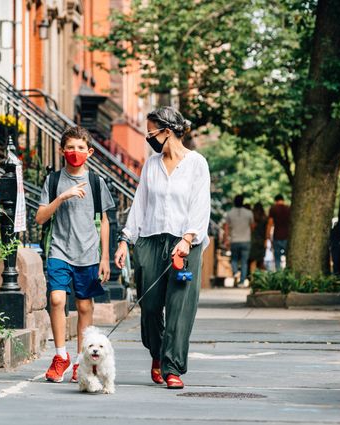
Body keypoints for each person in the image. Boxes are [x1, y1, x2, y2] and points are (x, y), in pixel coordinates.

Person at [114, 106, 210, 390]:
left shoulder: (196, 164)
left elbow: (200, 205)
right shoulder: (151, 165)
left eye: (152, 131)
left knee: (180, 308)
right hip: (151, 241)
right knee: (151, 306)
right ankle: (157, 352)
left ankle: (172, 367)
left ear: (168, 131)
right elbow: (140, 204)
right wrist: (124, 240)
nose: (148, 136)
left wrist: (188, 238)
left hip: (185, 243)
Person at [35, 126, 115, 384]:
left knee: (84, 307)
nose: (75, 152)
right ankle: (60, 356)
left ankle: (80, 361)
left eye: (80, 148)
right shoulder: (53, 181)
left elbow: (104, 221)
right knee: (57, 299)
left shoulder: (96, 182)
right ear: (61, 151)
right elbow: (40, 217)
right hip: (59, 249)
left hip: (89, 253)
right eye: (70, 147)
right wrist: (62, 197)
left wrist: (105, 258)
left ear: (89, 152)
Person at [223, 194, 254, 287]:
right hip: (246, 240)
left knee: (234, 259)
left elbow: (226, 228)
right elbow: (252, 226)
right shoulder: (249, 213)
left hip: (234, 240)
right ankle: (242, 282)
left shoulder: (229, 213)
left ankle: (236, 272)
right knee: (244, 262)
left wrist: (226, 239)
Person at [266, 194, 291, 270]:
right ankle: (287, 273)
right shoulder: (289, 208)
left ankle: (279, 274)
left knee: (277, 258)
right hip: (287, 236)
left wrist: (267, 236)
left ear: (276, 201)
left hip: (277, 236)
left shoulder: (273, 209)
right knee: (288, 257)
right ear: (283, 200)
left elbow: (270, 223)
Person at [249, 202, 267, 274]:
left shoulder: (253, 218)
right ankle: (261, 279)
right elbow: (267, 231)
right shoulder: (265, 218)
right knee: (261, 261)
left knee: (253, 261)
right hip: (262, 241)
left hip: (253, 241)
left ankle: (252, 278)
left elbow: (251, 229)